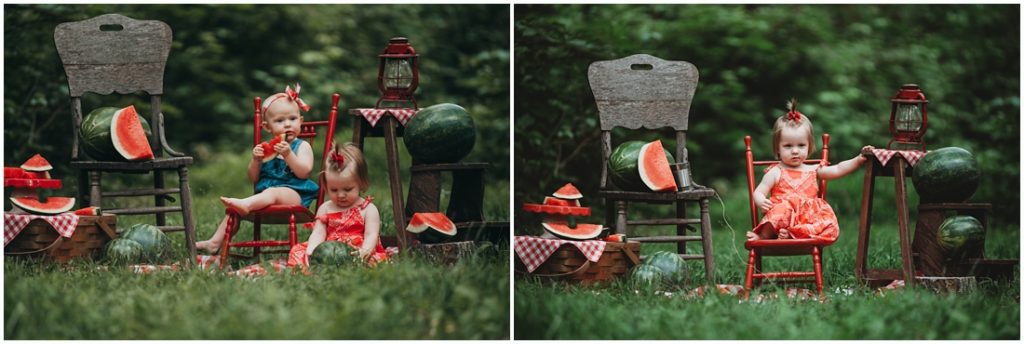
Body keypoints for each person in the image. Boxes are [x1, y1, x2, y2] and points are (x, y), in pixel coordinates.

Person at [195, 84, 319, 253]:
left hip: (295, 194)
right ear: (267, 127)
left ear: (301, 121)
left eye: (292, 119)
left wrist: (289, 154)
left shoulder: (302, 146)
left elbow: (304, 172)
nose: (287, 124)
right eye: (280, 121)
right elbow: (254, 178)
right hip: (265, 196)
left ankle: (246, 204)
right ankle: (214, 243)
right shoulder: (265, 148)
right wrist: (256, 160)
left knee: (273, 193)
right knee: (234, 211)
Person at [746, 100, 873, 243]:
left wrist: (858, 159)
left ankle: (793, 234)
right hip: (782, 217)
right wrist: (761, 201)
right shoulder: (775, 172)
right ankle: (764, 236)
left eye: (801, 145)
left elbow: (838, 169)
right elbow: (758, 191)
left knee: (826, 222)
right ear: (777, 149)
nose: (795, 151)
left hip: (807, 220)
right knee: (781, 209)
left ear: (809, 146)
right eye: (788, 146)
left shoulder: (813, 170)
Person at [287, 142, 391, 267]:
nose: (341, 195)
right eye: (334, 190)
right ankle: (314, 267)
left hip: (357, 251)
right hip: (329, 251)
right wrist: (312, 251)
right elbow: (319, 233)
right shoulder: (325, 208)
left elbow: (371, 235)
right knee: (297, 251)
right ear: (326, 186)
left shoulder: (368, 209)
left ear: (361, 183)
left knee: (372, 262)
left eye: (347, 189)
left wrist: (364, 252)